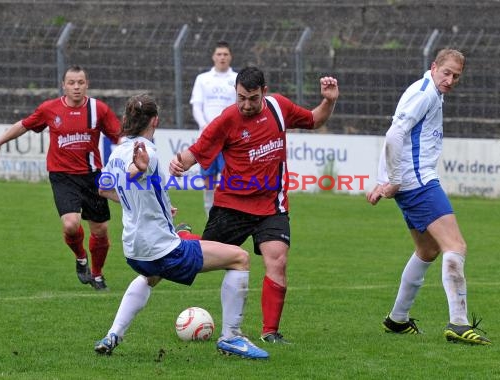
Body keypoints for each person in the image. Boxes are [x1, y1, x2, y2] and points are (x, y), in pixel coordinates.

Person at [169, 66, 339, 344]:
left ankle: (270, 332)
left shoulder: (278, 108)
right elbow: (198, 150)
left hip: (272, 205)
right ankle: (184, 238)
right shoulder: (227, 119)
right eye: (241, 98)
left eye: (253, 98)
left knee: (278, 260)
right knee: (197, 262)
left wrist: (328, 101)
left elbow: (314, 120)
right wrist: (180, 164)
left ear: (265, 92)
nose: (246, 105)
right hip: (232, 206)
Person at [94, 94, 268, 359]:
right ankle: (231, 337)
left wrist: (153, 203)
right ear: (155, 121)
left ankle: (112, 335)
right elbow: (135, 170)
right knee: (240, 258)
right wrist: (136, 170)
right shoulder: (147, 152)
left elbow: (104, 188)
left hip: (134, 250)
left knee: (150, 277)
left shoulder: (117, 150)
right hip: (162, 248)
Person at [366, 48, 491, 345]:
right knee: (456, 246)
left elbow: (397, 134)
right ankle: (458, 323)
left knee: (427, 251)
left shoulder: (430, 91)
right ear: (434, 67)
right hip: (419, 182)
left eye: (456, 76)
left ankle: (397, 319)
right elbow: (394, 135)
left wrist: (385, 181)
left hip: (410, 182)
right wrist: (392, 181)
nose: (450, 79)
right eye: (446, 72)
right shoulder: (425, 93)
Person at [0, 65, 121, 291]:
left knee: (100, 231)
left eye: (80, 82)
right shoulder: (50, 109)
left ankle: (97, 274)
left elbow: (120, 137)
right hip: (62, 176)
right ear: (63, 86)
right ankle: (80, 257)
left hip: (92, 176)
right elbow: (24, 125)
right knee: (70, 224)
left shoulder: (99, 109)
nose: (76, 87)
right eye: (71, 83)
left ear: (87, 84)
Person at [190, 41, 238, 217]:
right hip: (208, 138)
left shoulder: (237, 79)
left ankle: (228, 213)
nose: (222, 57)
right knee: (208, 179)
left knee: (228, 179)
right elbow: (197, 106)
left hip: (230, 140)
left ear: (230, 56)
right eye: (219, 54)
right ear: (213, 56)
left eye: (225, 54)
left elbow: (240, 107)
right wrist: (205, 126)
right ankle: (210, 213)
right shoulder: (203, 79)